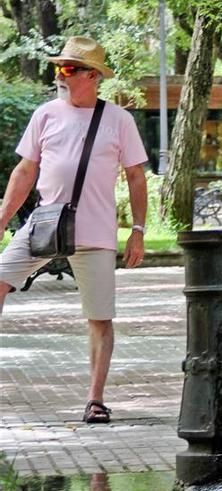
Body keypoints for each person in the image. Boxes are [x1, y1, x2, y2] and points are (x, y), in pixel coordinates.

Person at [0, 36, 149, 424]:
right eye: (58, 68)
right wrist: (1, 219)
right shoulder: (46, 114)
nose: (60, 76)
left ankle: (95, 400)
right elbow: (25, 171)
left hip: (96, 231)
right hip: (46, 223)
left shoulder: (118, 120)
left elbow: (136, 176)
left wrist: (137, 229)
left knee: (99, 317)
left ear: (92, 76)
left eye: (67, 69)